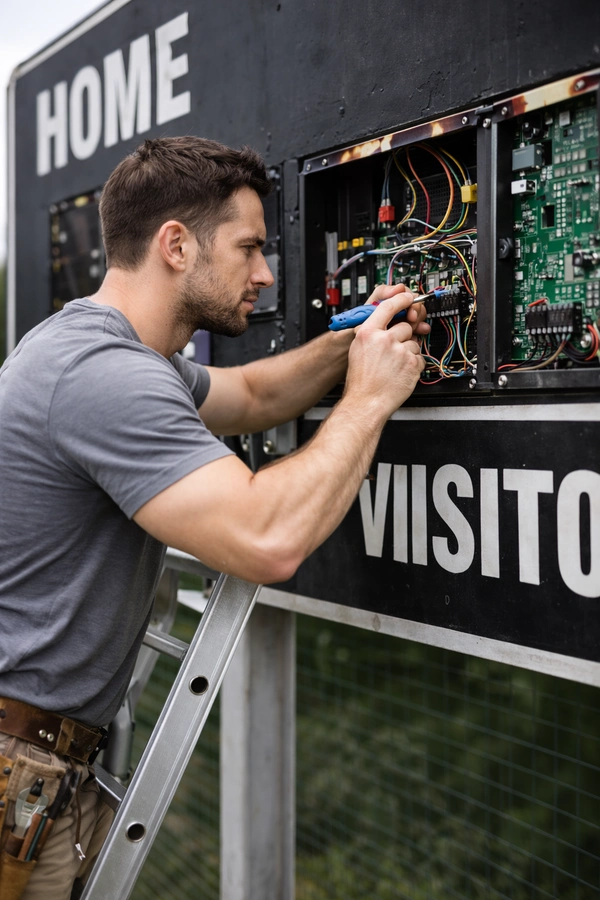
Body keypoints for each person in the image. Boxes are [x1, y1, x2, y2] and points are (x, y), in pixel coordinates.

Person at [0, 136, 428, 899]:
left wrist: (353, 343)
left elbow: (256, 396)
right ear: (174, 245)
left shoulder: (121, 354)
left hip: (47, 756)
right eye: (249, 249)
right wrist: (369, 398)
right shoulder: (104, 377)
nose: (264, 276)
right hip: (19, 765)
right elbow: (267, 540)